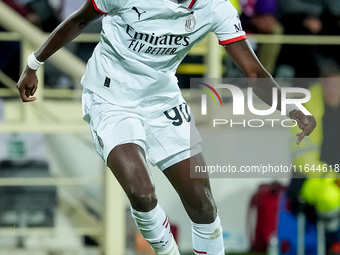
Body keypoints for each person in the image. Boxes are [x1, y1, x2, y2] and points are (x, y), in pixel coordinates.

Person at [16, 0, 316, 254]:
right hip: (110, 97)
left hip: (162, 99)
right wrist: (33, 63)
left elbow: (253, 72)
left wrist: (292, 108)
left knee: (203, 204)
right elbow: (80, 20)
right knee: (142, 193)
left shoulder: (216, 8)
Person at [287, 61, 340, 253]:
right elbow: (303, 158)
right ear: (321, 85)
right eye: (330, 85)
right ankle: (333, 243)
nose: (333, 90)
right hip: (310, 179)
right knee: (330, 197)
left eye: (337, 85)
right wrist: (330, 176)